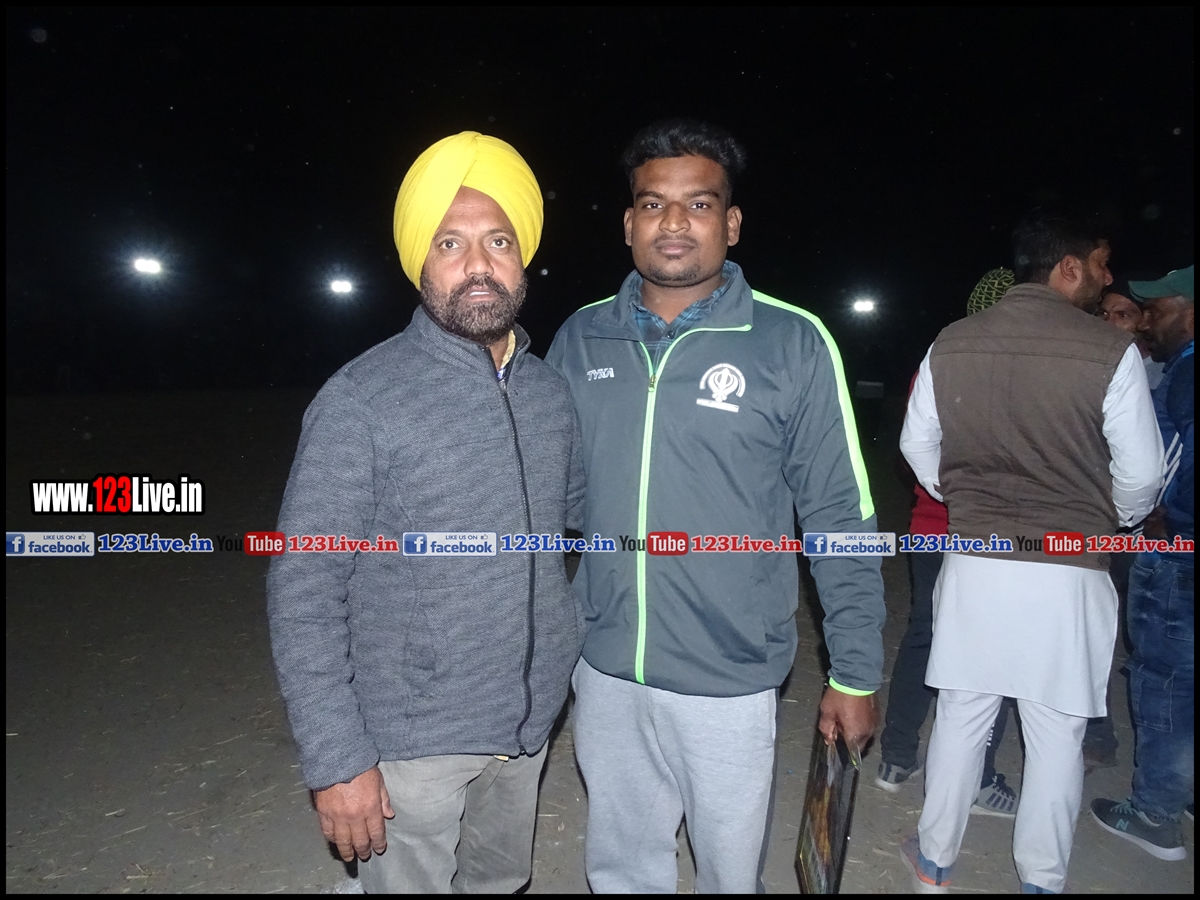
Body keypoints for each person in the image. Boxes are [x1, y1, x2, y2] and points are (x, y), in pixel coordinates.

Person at [545, 119, 885, 893]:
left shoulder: (791, 341)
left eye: (698, 204)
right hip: (605, 664)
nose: (673, 222)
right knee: (622, 869)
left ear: (730, 224)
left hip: (729, 674)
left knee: (731, 876)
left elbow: (839, 515)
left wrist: (856, 671)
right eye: (653, 204)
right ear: (628, 223)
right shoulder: (582, 338)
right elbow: (547, 498)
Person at [266, 131, 585, 894]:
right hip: (410, 745)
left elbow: (575, 530)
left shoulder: (550, 395)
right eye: (450, 243)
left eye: (498, 241)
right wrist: (337, 759)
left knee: (499, 885)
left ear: (522, 258)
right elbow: (304, 586)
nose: (478, 264)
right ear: (420, 262)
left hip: (528, 728)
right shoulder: (361, 400)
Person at [898, 208, 1163, 893]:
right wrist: (1109, 519)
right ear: (1067, 268)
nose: (1107, 278)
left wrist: (963, 499)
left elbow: (917, 444)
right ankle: (1041, 879)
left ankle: (934, 862)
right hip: (1068, 569)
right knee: (1057, 731)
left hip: (977, 560)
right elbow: (1141, 475)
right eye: (1100, 265)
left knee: (962, 715)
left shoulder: (952, 341)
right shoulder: (1110, 351)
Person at [876, 268, 1020, 818]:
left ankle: (896, 757)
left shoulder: (940, 358)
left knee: (925, 634)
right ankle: (977, 778)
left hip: (934, 526)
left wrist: (945, 494)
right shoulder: (1029, 370)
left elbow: (913, 446)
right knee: (992, 650)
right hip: (993, 532)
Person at [1092, 265, 1194, 861]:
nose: (1149, 319)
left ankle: (1155, 813)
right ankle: (1179, 789)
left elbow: (1175, 460)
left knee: (1165, 678)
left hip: (1177, 553)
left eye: (1159, 308)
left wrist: (1170, 518)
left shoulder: (1188, 372)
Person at [1097, 282, 1166, 388]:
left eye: (1122, 315)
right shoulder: (1088, 361)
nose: (1108, 322)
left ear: (1146, 320)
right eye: (1103, 313)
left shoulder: (1164, 372)